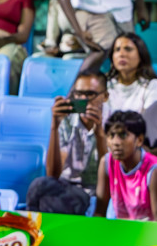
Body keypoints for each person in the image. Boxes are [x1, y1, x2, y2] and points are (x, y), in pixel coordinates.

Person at [27, 66, 109, 215]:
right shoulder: (67, 120)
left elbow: (110, 174)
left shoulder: (113, 122)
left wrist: (100, 135)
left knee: (59, 204)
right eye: (79, 94)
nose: (84, 99)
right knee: (38, 186)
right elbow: (53, 174)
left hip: (92, 191)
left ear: (105, 96)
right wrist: (54, 127)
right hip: (64, 186)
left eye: (90, 94)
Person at [97, 111, 157, 222]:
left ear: (139, 140)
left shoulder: (156, 171)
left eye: (123, 135)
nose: (115, 142)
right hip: (123, 233)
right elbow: (99, 213)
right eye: (111, 135)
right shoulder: (106, 162)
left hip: (153, 236)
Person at [102, 33, 157, 115]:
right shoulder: (103, 85)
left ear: (141, 55)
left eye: (128, 49)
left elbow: (150, 121)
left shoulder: (154, 86)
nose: (121, 54)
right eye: (117, 49)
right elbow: (81, 112)